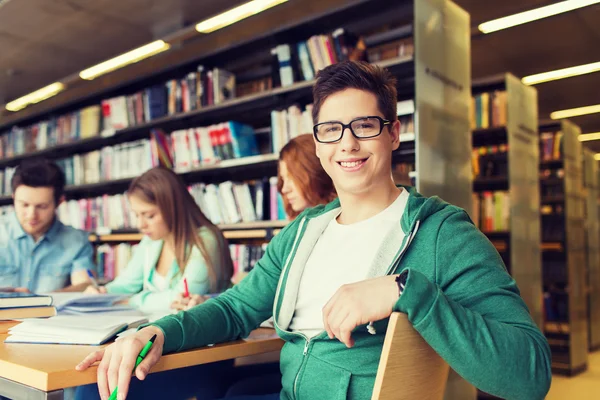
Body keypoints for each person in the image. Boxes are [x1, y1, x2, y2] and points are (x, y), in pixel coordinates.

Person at [77, 61, 552, 400]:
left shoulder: (442, 233)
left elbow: (530, 376)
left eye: (364, 125)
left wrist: (408, 291)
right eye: (331, 130)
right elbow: (237, 307)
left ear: (393, 134)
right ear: (319, 145)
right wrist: (154, 332)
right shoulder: (305, 229)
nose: (347, 142)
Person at [75, 166, 235, 400]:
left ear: (173, 209)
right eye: (137, 215)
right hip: (157, 345)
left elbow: (180, 298)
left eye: (149, 215)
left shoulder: (205, 240)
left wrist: (132, 299)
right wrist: (101, 292)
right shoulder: (152, 242)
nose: (141, 225)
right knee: (93, 380)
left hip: (199, 352)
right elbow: (125, 284)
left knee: (92, 391)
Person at [172, 133, 336, 311]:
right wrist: (209, 301)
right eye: (283, 179)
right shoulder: (295, 232)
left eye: (292, 177)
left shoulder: (335, 229)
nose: (284, 188)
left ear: (315, 172)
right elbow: (258, 296)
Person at [0, 158, 96, 293]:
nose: (31, 214)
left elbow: (85, 284)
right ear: (13, 197)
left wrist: (39, 302)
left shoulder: (77, 241)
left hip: (51, 312)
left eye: (42, 206)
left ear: (59, 202)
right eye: (24, 204)